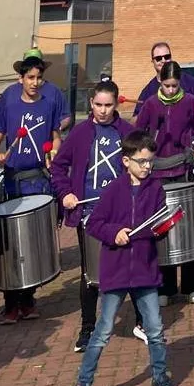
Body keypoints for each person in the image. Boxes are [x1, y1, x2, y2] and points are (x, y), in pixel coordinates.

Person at [70, 130, 183, 386]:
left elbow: (157, 226)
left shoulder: (156, 189)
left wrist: (163, 228)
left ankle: (159, 380)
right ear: (125, 161)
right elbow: (94, 224)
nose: (147, 166)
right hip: (117, 272)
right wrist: (115, 233)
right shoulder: (113, 190)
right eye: (142, 161)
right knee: (102, 332)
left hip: (145, 271)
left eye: (150, 162)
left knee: (155, 330)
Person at [51, 78, 146, 352]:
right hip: (90, 214)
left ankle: (142, 322)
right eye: (98, 105)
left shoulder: (128, 133)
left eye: (108, 105)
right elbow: (58, 168)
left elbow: (143, 168)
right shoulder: (80, 134)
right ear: (90, 104)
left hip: (123, 213)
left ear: (117, 104)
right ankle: (87, 328)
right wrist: (66, 193)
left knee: (131, 268)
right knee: (90, 274)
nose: (103, 110)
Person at [0, 50, 64, 323]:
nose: (35, 82)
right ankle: (10, 304)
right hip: (13, 181)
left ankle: (28, 301)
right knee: (10, 244)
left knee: (31, 242)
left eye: (39, 78)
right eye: (30, 77)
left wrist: (54, 151)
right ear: (20, 78)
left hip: (38, 180)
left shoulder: (48, 105)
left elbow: (55, 138)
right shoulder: (10, 105)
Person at [134, 61, 194, 306]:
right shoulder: (150, 105)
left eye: (174, 86)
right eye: (166, 85)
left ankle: (191, 284)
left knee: (187, 227)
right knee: (162, 230)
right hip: (157, 173)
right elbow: (138, 133)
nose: (170, 90)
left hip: (183, 169)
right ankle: (165, 286)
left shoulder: (188, 101)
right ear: (159, 82)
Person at [131, 41, 194, 127]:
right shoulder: (149, 90)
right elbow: (134, 121)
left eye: (167, 57)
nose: (163, 60)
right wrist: (147, 111)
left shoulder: (186, 80)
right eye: (158, 58)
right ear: (153, 61)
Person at [3, 47, 73, 131]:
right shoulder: (10, 92)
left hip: (46, 143)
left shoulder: (54, 91)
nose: (35, 83)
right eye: (30, 77)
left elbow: (66, 116)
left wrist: (54, 131)